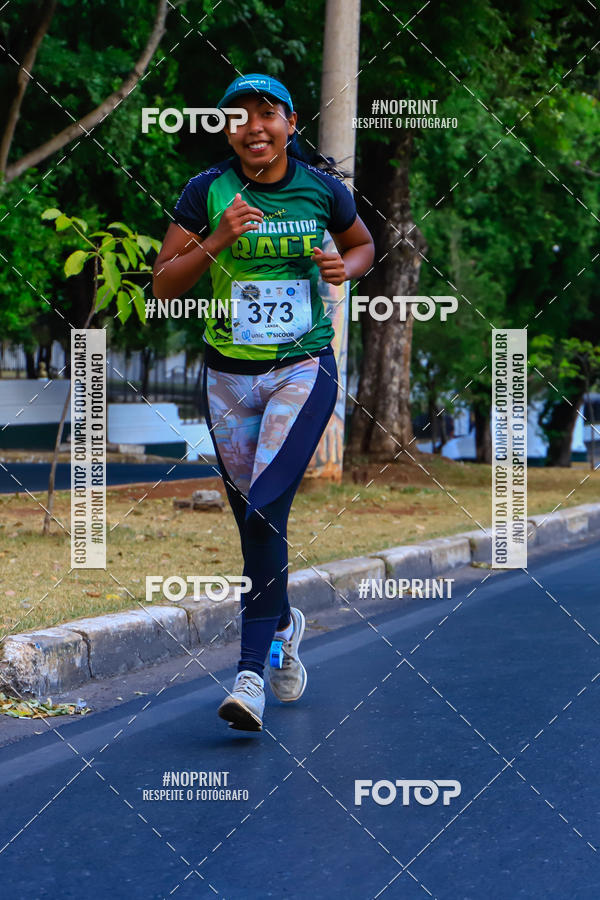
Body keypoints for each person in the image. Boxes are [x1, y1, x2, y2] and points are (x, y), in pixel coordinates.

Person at [153, 73, 375, 732]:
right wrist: (216, 237)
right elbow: (163, 286)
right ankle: (283, 625)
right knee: (253, 521)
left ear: (291, 123)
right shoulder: (206, 191)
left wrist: (347, 268)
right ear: (226, 130)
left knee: (263, 510)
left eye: (267, 114)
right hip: (227, 379)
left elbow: (363, 244)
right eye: (238, 117)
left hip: (301, 369)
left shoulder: (322, 189)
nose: (253, 126)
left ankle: (250, 675)